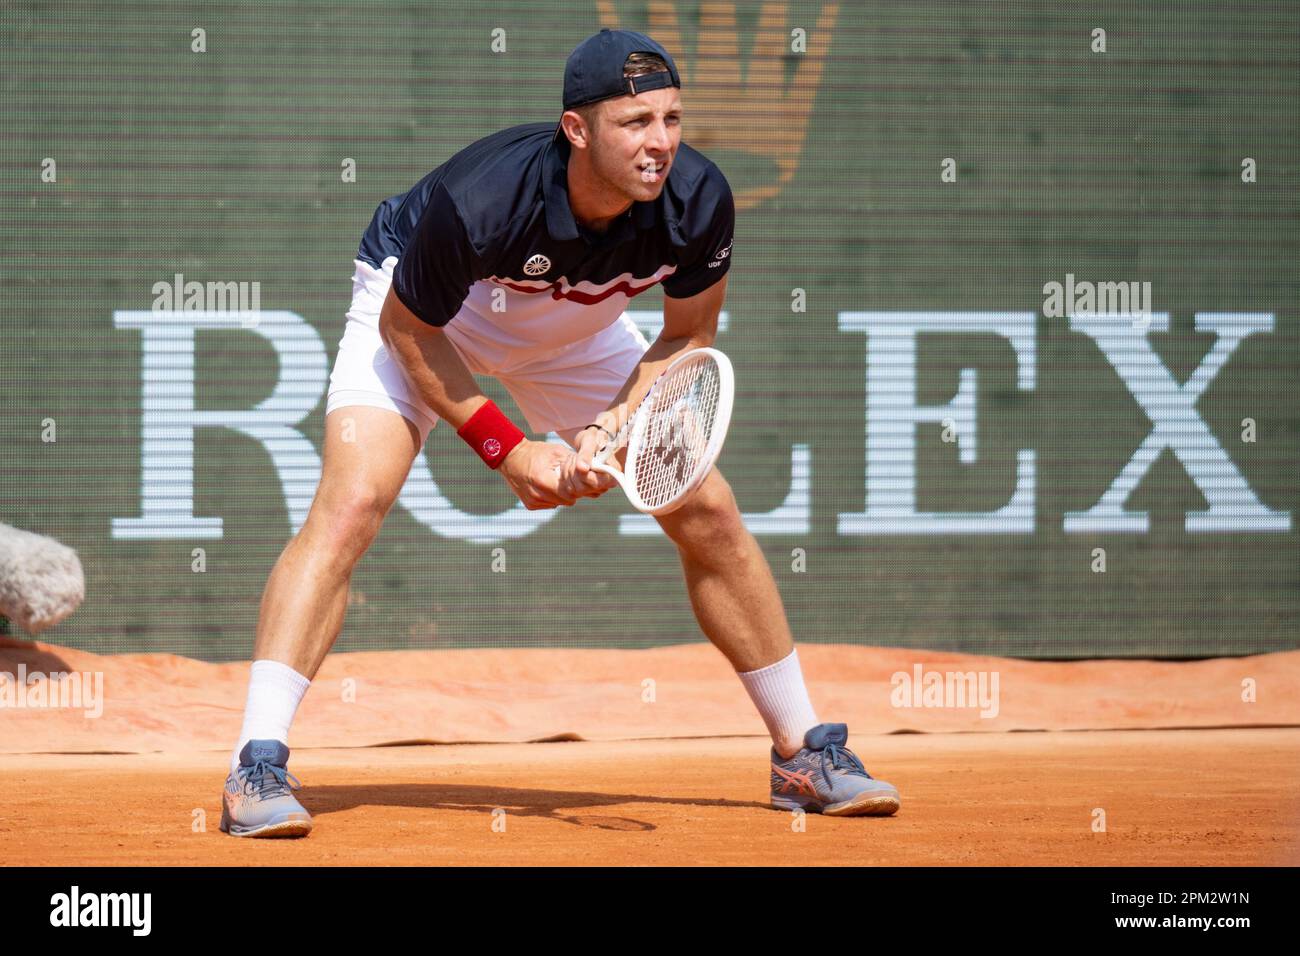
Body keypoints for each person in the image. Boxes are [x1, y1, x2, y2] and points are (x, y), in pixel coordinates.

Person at [219, 28, 900, 838]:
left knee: (707, 511)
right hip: (430, 312)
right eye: (636, 122)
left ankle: (802, 753)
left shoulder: (699, 198)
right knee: (350, 506)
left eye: (673, 119)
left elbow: (686, 337)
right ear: (578, 129)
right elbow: (410, 332)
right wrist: (512, 451)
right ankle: (256, 764)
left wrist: (617, 418)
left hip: (576, 327)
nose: (660, 144)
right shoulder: (482, 200)